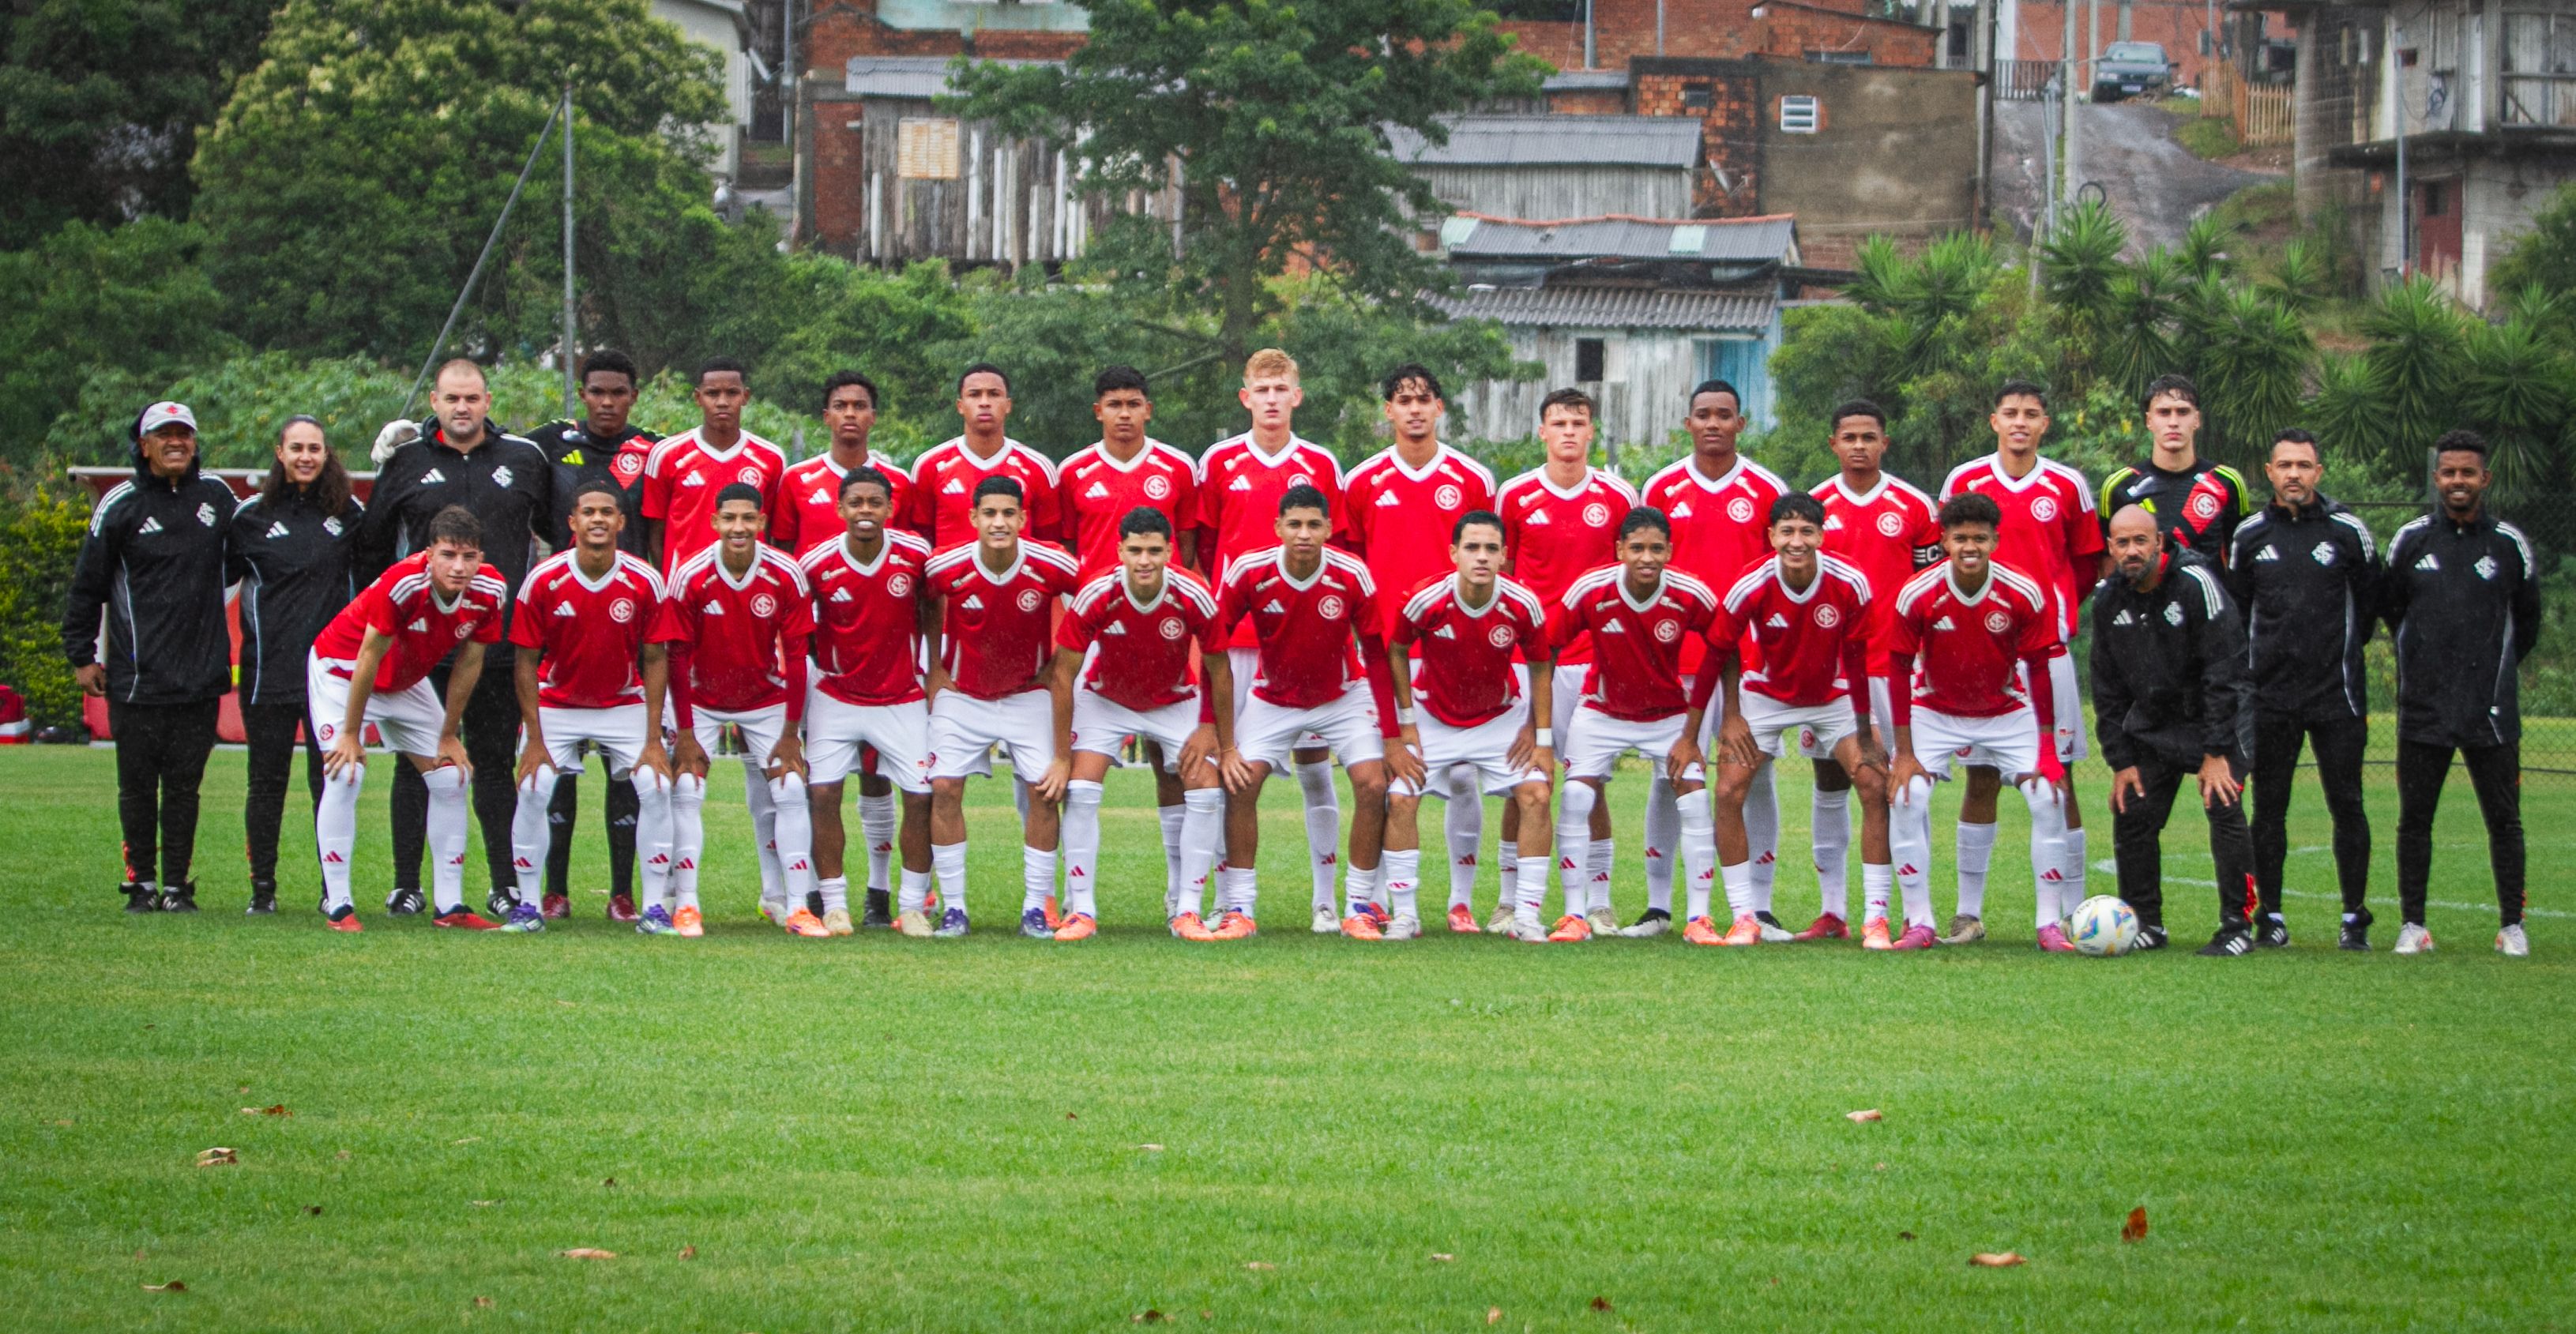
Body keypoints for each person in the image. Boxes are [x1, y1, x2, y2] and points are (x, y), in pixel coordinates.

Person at [361, 359, 552, 918]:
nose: (461, 408)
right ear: (435, 403)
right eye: (450, 398)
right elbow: (373, 544)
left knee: (493, 761)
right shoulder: (407, 461)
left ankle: (503, 883)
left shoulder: (523, 458)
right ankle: (406, 884)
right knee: (413, 762)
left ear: (488, 400)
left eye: (471, 397)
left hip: (495, 643)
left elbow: (557, 532)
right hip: (420, 646)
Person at [1196, 349, 1356, 934]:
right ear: (1245, 397)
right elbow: (1203, 550)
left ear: (1297, 395)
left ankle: (1325, 899)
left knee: (1316, 766)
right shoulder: (1217, 461)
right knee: (1229, 770)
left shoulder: (1320, 462)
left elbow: (1338, 553)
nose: (1270, 397)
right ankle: (1232, 897)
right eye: (1260, 388)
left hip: (1303, 637)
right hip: (1234, 641)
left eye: (1280, 387)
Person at [1938, 381, 2104, 943]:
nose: (2019, 422)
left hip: (2044, 652)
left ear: (2044, 423)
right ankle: (1967, 912)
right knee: (1980, 775)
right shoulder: (1964, 479)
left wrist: (2054, 616)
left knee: (2060, 775)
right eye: (2010, 412)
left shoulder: (2066, 484)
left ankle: (2075, 912)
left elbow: (2085, 563)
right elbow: (1946, 552)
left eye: (2030, 414)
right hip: (1979, 653)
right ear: (1993, 420)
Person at [1693, 494, 1894, 946]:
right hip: (1765, 696)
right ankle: (1745, 917)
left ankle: (1875, 920)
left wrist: (1866, 731)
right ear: (1771, 537)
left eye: (1806, 531)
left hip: (1833, 697)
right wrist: (1728, 718)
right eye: (1787, 531)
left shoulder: (1850, 582)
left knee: (1874, 785)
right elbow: (1716, 653)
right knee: (1727, 790)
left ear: (1821, 536)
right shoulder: (1751, 583)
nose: (1797, 541)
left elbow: (1858, 660)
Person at [62, 400, 237, 913]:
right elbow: (86, 587)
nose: (176, 442)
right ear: (145, 445)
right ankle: (140, 882)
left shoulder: (217, 498)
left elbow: (248, 561)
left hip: (201, 677)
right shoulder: (121, 504)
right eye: (164, 434)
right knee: (137, 787)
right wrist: (81, 654)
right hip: (136, 679)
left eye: (184, 433)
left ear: (195, 441)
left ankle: (178, 886)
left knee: (185, 788)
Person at [1344, 364, 1499, 932]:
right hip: (1384, 650)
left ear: (1439, 409)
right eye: (1402, 399)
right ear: (1387, 410)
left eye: (1423, 399)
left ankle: (1460, 900)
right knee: (1389, 775)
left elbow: (1487, 559)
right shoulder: (1360, 481)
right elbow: (1351, 566)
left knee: (1460, 774)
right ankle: (1384, 893)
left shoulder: (1472, 477)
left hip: (1454, 646)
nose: (1413, 409)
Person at [306, 505, 512, 931]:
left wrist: (449, 733)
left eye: (469, 556)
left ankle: (450, 906)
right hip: (344, 670)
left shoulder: (491, 590)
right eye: (448, 555)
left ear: (481, 557)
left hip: (404, 677)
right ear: (429, 553)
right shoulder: (404, 583)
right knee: (345, 773)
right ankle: (340, 905)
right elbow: (368, 656)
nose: (459, 567)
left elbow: (470, 662)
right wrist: (350, 733)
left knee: (453, 775)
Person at [1210, 484, 1401, 939]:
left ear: (1329, 530)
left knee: (1374, 784)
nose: (1304, 533)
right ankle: (1239, 907)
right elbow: (1214, 647)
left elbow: (1375, 654)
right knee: (1241, 782)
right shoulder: (1249, 570)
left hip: (1342, 696)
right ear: (1277, 528)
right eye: (1294, 524)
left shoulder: (1352, 572)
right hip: (1273, 698)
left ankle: (1358, 905)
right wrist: (1220, 739)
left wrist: (1393, 735)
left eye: (1314, 524)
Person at [1882, 494, 2071, 951]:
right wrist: (1904, 753)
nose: (1970, 546)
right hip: (1936, 711)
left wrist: (2047, 750)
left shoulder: (2022, 590)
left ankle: (2049, 923)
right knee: (1907, 797)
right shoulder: (1918, 593)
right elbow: (1898, 668)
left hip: (2006, 711)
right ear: (1944, 540)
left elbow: (2040, 670)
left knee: (2048, 797)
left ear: (1995, 540)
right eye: (1961, 537)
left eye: (1980, 538)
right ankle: (1919, 921)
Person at [2380, 430, 2544, 958]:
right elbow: (2392, 609)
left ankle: (2511, 925)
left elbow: (2527, 623)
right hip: (2423, 708)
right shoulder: (2410, 541)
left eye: (2466, 473)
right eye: (2448, 472)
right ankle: (2412, 925)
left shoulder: (2508, 545)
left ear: (2483, 479)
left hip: (2489, 710)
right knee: (2414, 819)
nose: (2456, 481)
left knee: (2503, 819)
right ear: (2436, 479)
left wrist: (2485, 673)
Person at [1641, 379, 1793, 938]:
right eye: (1702, 414)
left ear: (1740, 424)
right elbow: (1643, 566)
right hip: (1673, 658)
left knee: (1752, 778)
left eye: (1723, 415)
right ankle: (1659, 906)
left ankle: (1760, 905)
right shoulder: (1660, 486)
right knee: (1668, 776)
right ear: (1687, 424)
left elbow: (1780, 575)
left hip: (1747, 663)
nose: (1712, 423)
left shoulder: (1765, 487)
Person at [1056, 366, 1202, 919]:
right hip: (1094, 628)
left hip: (1162, 625)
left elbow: (1185, 550)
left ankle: (1177, 896)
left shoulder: (1177, 467)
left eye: (1133, 403)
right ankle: (1076, 900)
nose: (1123, 412)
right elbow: (1065, 550)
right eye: (1113, 403)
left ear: (1148, 410)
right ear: (1098, 410)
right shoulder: (1072, 471)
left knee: (1173, 764)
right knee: (1082, 769)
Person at [2226, 429, 2381, 950]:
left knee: (2347, 803)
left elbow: (2368, 611)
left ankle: (2353, 916)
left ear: (2318, 471)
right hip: (2269, 698)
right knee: (2268, 808)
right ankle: (2269, 915)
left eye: (2304, 465)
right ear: (2268, 472)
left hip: (2336, 697)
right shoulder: (2248, 535)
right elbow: (2238, 613)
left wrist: (2331, 659)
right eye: (2284, 464)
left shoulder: (2347, 532)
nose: (2294, 473)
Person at [771, 369, 913, 925]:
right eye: (839, 405)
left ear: (873, 417)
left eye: (860, 405)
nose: (850, 413)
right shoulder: (796, 479)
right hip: (818, 648)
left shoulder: (896, 479)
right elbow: (782, 556)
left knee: (878, 772)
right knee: (818, 774)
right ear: (825, 417)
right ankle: (812, 891)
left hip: (882, 644)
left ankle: (879, 892)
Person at [524, 349, 660, 922]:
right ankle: (552, 890)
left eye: (619, 393)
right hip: (565, 608)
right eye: (597, 392)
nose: (608, 403)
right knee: (554, 775)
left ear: (633, 395)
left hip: (629, 609)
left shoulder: (653, 449)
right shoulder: (547, 443)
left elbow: (660, 524)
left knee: (626, 773)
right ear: (583, 394)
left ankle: (624, 892)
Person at [1540, 506, 1718, 942]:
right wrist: (1540, 730)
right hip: (1601, 712)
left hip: (1668, 715)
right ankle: (1574, 915)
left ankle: (1698, 918)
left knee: (1693, 800)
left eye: (1657, 548)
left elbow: (1722, 647)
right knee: (1578, 794)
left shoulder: (1691, 593)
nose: (1646, 557)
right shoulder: (1591, 589)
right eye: (1636, 547)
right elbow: (1546, 646)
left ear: (1670, 551)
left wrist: (1696, 733)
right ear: (1619, 549)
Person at [1050, 508, 1229, 941]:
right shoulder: (1097, 593)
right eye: (1135, 550)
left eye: (1153, 550)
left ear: (1171, 551)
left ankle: (1187, 909)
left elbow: (1219, 668)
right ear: (1120, 551)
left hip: (1175, 700)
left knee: (1206, 790)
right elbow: (1063, 673)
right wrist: (1060, 756)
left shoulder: (1193, 592)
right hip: (1107, 699)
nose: (1144, 560)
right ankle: (1082, 910)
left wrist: (1211, 729)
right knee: (1080, 788)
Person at [503, 485, 675, 935]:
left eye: (607, 513)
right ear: (572, 522)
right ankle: (527, 905)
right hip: (557, 704)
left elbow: (656, 658)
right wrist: (535, 740)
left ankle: (654, 910)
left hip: (623, 703)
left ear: (621, 523)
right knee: (534, 786)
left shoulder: (645, 579)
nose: (597, 520)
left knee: (656, 786)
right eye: (588, 512)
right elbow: (524, 662)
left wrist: (655, 739)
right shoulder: (543, 578)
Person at [1494, 390, 1635, 934]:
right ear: (1542, 432)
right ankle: (1509, 900)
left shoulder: (1618, 496)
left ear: (1591, 431)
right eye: (1559, 422)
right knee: (1523, 777)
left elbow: (1627, 577)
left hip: (1590, 658)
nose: (1569, 432)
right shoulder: (1516, 494)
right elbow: (1500, 571)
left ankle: (1597, 901)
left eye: (1578, 422)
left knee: (1588, 779)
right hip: (1529, 661)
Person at [2092, 505, 2257, 956]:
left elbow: (2224, 670)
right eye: (2122, 543)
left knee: (2223, 807)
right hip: (2156, 724)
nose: (2131, 551)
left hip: (2214, 718)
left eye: (2140, 541)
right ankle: (2145, 922)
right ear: (2110, 548)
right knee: (2132, 813)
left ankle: (2236, 926)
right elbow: (2106, 689)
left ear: (2159, 542)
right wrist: (2121, 762)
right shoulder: (2107, 599)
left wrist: (2217, 751)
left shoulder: (2195, 584)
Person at [923, 476, 1083, 938]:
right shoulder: (945, 566)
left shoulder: (1051, 564)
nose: (999, 522)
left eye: (1008, 513)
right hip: (961, 695)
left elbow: (1088, 601)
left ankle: (1036, 907)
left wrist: (1060, 663)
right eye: (989, 514)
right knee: (946, 788)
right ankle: (954, 908)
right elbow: (926, 601)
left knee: (1043, 791)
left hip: (1025, 694)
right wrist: (934, 665)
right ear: (973, 518)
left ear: (1022, 519)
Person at [658, 484, 822, 934]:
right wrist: (686, 733)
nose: (739, 527)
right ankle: (686, 903)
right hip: (700, 699)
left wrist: (791, 733)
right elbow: (676, 657)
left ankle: (794, 906)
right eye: (729, 518)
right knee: (687, 786)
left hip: (765, 698)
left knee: (788, 790)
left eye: (748, 519)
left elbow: (797, 654)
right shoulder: (690, 574)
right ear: (714, 523)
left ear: (762, 523)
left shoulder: (785, 573)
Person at [1805, 400, 1940, 941]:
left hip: (1897, 670)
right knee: (1828, 777)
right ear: (1833, 443)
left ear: (1884, 443)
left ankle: (1912, 909)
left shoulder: (1913, 505)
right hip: (1833, 672)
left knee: (1900, 782)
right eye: (1849, 437)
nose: (1859, 445)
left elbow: (1931, 589)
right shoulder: (1814, 504)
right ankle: (1833, 910)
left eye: (1869, 436)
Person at [1384, 511, 1552, 941]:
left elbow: (1540, 666)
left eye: (1491, 549)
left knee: (1536, 794)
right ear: (1454, 553)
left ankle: (1528, 915)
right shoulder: (1426, 599)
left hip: (1499, 720)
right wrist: (1406, 724)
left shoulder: (1522, 603)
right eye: (1472, 548)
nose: (1482, 557)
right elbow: (1397, 650)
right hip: (1434, 718)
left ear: (1504, 557)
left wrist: (1540, 735)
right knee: (1401, 798)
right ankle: (1405, 914)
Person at [227, 415, 363, 915]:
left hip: (329, 676)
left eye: (316, 449)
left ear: (327, 455)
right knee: (266, 782)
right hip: (267, 671)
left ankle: (334, 890)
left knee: (327, 783)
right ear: (279, 454)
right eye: (297, 448)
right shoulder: (249, 518)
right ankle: (262, 890)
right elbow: (215, 583)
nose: (306, 456)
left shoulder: (349, 514)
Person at [799, 467, 939, 934]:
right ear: (839, 509)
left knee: (922, 797)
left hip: (901, 695)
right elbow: (802, 631)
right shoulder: (816, 563)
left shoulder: (916, 555)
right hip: (837, 695)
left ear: (889, 508)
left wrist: (934, 667)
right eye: (855, 503)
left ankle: (913, 906)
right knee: (822, 793)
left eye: (874, 503)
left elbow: (933, 609)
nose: (865, 511)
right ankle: (835, 904)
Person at [641, 357, 786, 573]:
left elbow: (774, 530)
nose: (722, 402)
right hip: (687, 591)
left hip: (751, 588)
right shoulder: (666, 454)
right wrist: (672, 584)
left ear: (745, 397)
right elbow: (655, 533)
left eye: (732, 393)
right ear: (698, 398)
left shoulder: (771, 458)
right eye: (712, 394)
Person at [2099, 373, 2252, 566]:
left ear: (2197, 419)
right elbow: (2107, 562)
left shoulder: (2228, 482)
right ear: (2149, 421)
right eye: (2164, 413)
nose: (2173, 422)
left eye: (2182, 412)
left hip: (2208, 594)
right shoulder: (2119, 486)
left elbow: (2240, 558)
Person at [911, 363, 1059, 552]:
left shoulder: (1038, 467)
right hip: (950, 581)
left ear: (1008, 405)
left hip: (1018, 581)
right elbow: (921, 540)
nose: (984, 402)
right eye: (974, 395)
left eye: (994, 394)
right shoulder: (929, 465)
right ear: (960, 406)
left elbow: (1049, 541)